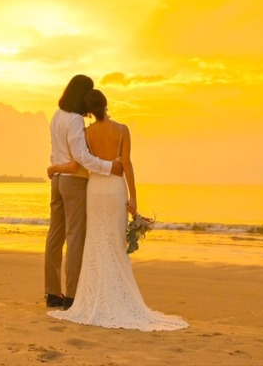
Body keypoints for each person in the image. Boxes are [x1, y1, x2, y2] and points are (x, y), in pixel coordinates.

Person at [47, 89, 187, 331]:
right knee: (114, 243)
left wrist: (55, 167)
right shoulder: (122, 130)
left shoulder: (87, 132)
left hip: (94, 189)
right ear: (106, 104)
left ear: (89, 110)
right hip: (113, 189)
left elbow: (81, 160)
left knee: (95, 241)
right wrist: (134, 198)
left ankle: (90, 296)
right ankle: (112, 294)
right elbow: (127, 165)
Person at [44, 75, 124, 311]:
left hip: (57, 180)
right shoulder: (75, 120)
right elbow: (80, 156)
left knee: (55, 236)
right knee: (75, 236)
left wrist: (57, 167)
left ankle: (51, 292)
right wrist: (109, 167)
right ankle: (71, 295)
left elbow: (56, 152)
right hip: (73, 182)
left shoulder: (56, 116)